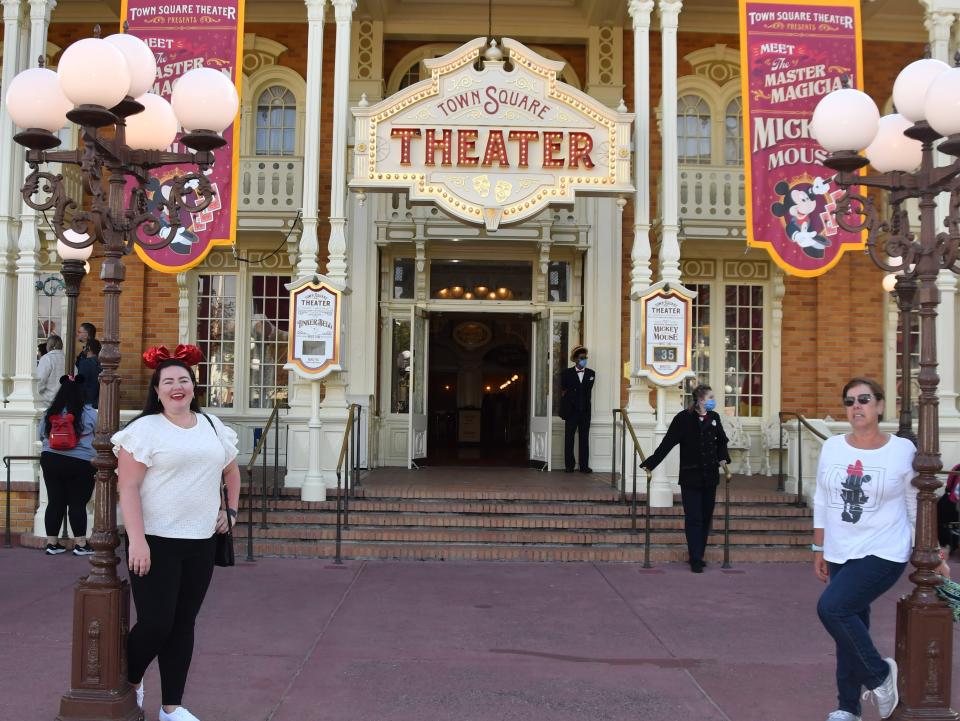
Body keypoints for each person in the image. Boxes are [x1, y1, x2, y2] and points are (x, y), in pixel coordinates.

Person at [114, 345, 241, 721]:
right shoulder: (143, 431)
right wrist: (136, 540)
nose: (176, 387)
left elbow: (231, 473)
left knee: (183, 625)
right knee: (156, 623)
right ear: (157, 390)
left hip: (200, 541)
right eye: (168, 381)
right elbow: (128, 488)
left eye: (183, 380)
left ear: (193, 386)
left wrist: (230, 511)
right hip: (154, 541)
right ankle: (130, 682)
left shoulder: (214, 426)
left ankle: (171, 706)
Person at [813, 377, 948, 721]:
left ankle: (880, 676)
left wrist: (931, 551)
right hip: (841, 550)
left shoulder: (901, 450)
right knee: (850, 625)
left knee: (833, 609)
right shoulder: (833, 447)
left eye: (863, 399)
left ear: (879, 405)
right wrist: (819, 546)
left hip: (884, 550)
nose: (856, 406)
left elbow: (915, 503)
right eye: (849, 401)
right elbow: (823, 497)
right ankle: (848, 708)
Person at [639, 384, 730, 573]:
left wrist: (723, 459)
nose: (714, 400)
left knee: (706, 518)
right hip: (691, 476)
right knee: (694, 518)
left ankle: (699, 553)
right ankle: (695, 558)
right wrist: (652, 462)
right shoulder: (683, 419)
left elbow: (722, 440)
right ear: (701, 399)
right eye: (710, 397)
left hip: (710, 476)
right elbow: (668, 442)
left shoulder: (714, 417)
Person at [37, 374, 96, 555]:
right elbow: (105, 436)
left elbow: (41, 436)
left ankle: (52, 544)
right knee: (77, 503)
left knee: (55, 502)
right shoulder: (89, 413)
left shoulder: (50, 413)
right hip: (81, 462)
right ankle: (80, 544)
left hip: (51, 459)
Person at [559, 345, 596, 473]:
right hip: (571, 412)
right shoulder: (566, 373)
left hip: (585, 412)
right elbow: (564, 391)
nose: (584, 360)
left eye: (585, 358)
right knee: (569, 438)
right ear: (575, 359)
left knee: (584, 439)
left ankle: (584, 466)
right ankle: (569, 466)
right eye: (581, 358)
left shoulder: (591, 374)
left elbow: (586, 391)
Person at [36, 334, 65, 404]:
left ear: (49, 346)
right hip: (65, 402)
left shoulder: (47, 358)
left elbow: (40, 380)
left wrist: (36, 394)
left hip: (48, 402)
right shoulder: (68, 359)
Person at [77, 339, 101, 408]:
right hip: (99, 402)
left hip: (87, 402)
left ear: (89, 348)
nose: (83, 350)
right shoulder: (103, 363)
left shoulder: (85, 363)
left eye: (84, 347)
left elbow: (81, 384)